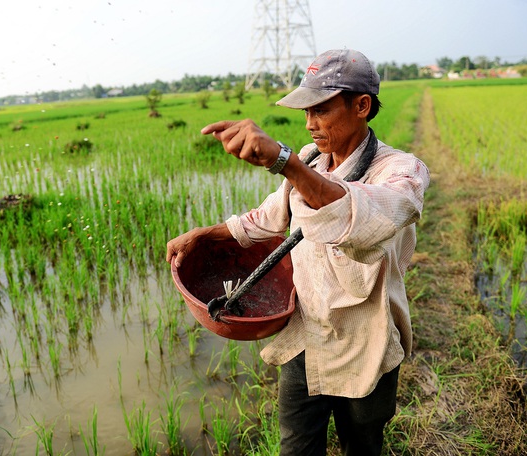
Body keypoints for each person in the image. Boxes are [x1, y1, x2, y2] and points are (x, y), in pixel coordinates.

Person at [166, 49, 429, 455]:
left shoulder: (401, 171)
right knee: (296, 447)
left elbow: (366, 218)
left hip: (364, 342)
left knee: (362, 446)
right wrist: (206, 234)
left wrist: (285, 162)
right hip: (305, 336)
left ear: (361, 106)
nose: (309, 125)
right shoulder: (310, 159)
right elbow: (268, 218)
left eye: (320, 110)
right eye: (305, 112)